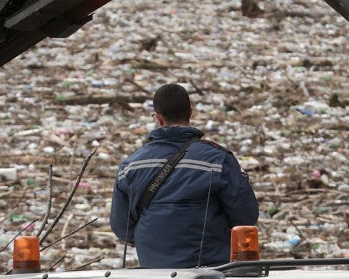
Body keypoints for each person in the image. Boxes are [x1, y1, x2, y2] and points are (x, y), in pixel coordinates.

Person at [111, 83, 259, 269]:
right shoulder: (217, 159)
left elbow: (122, 227)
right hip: (209, 274)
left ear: (158, 117)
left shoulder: (131, 165)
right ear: (190, 112)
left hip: (153, 273)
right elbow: (245, 216)